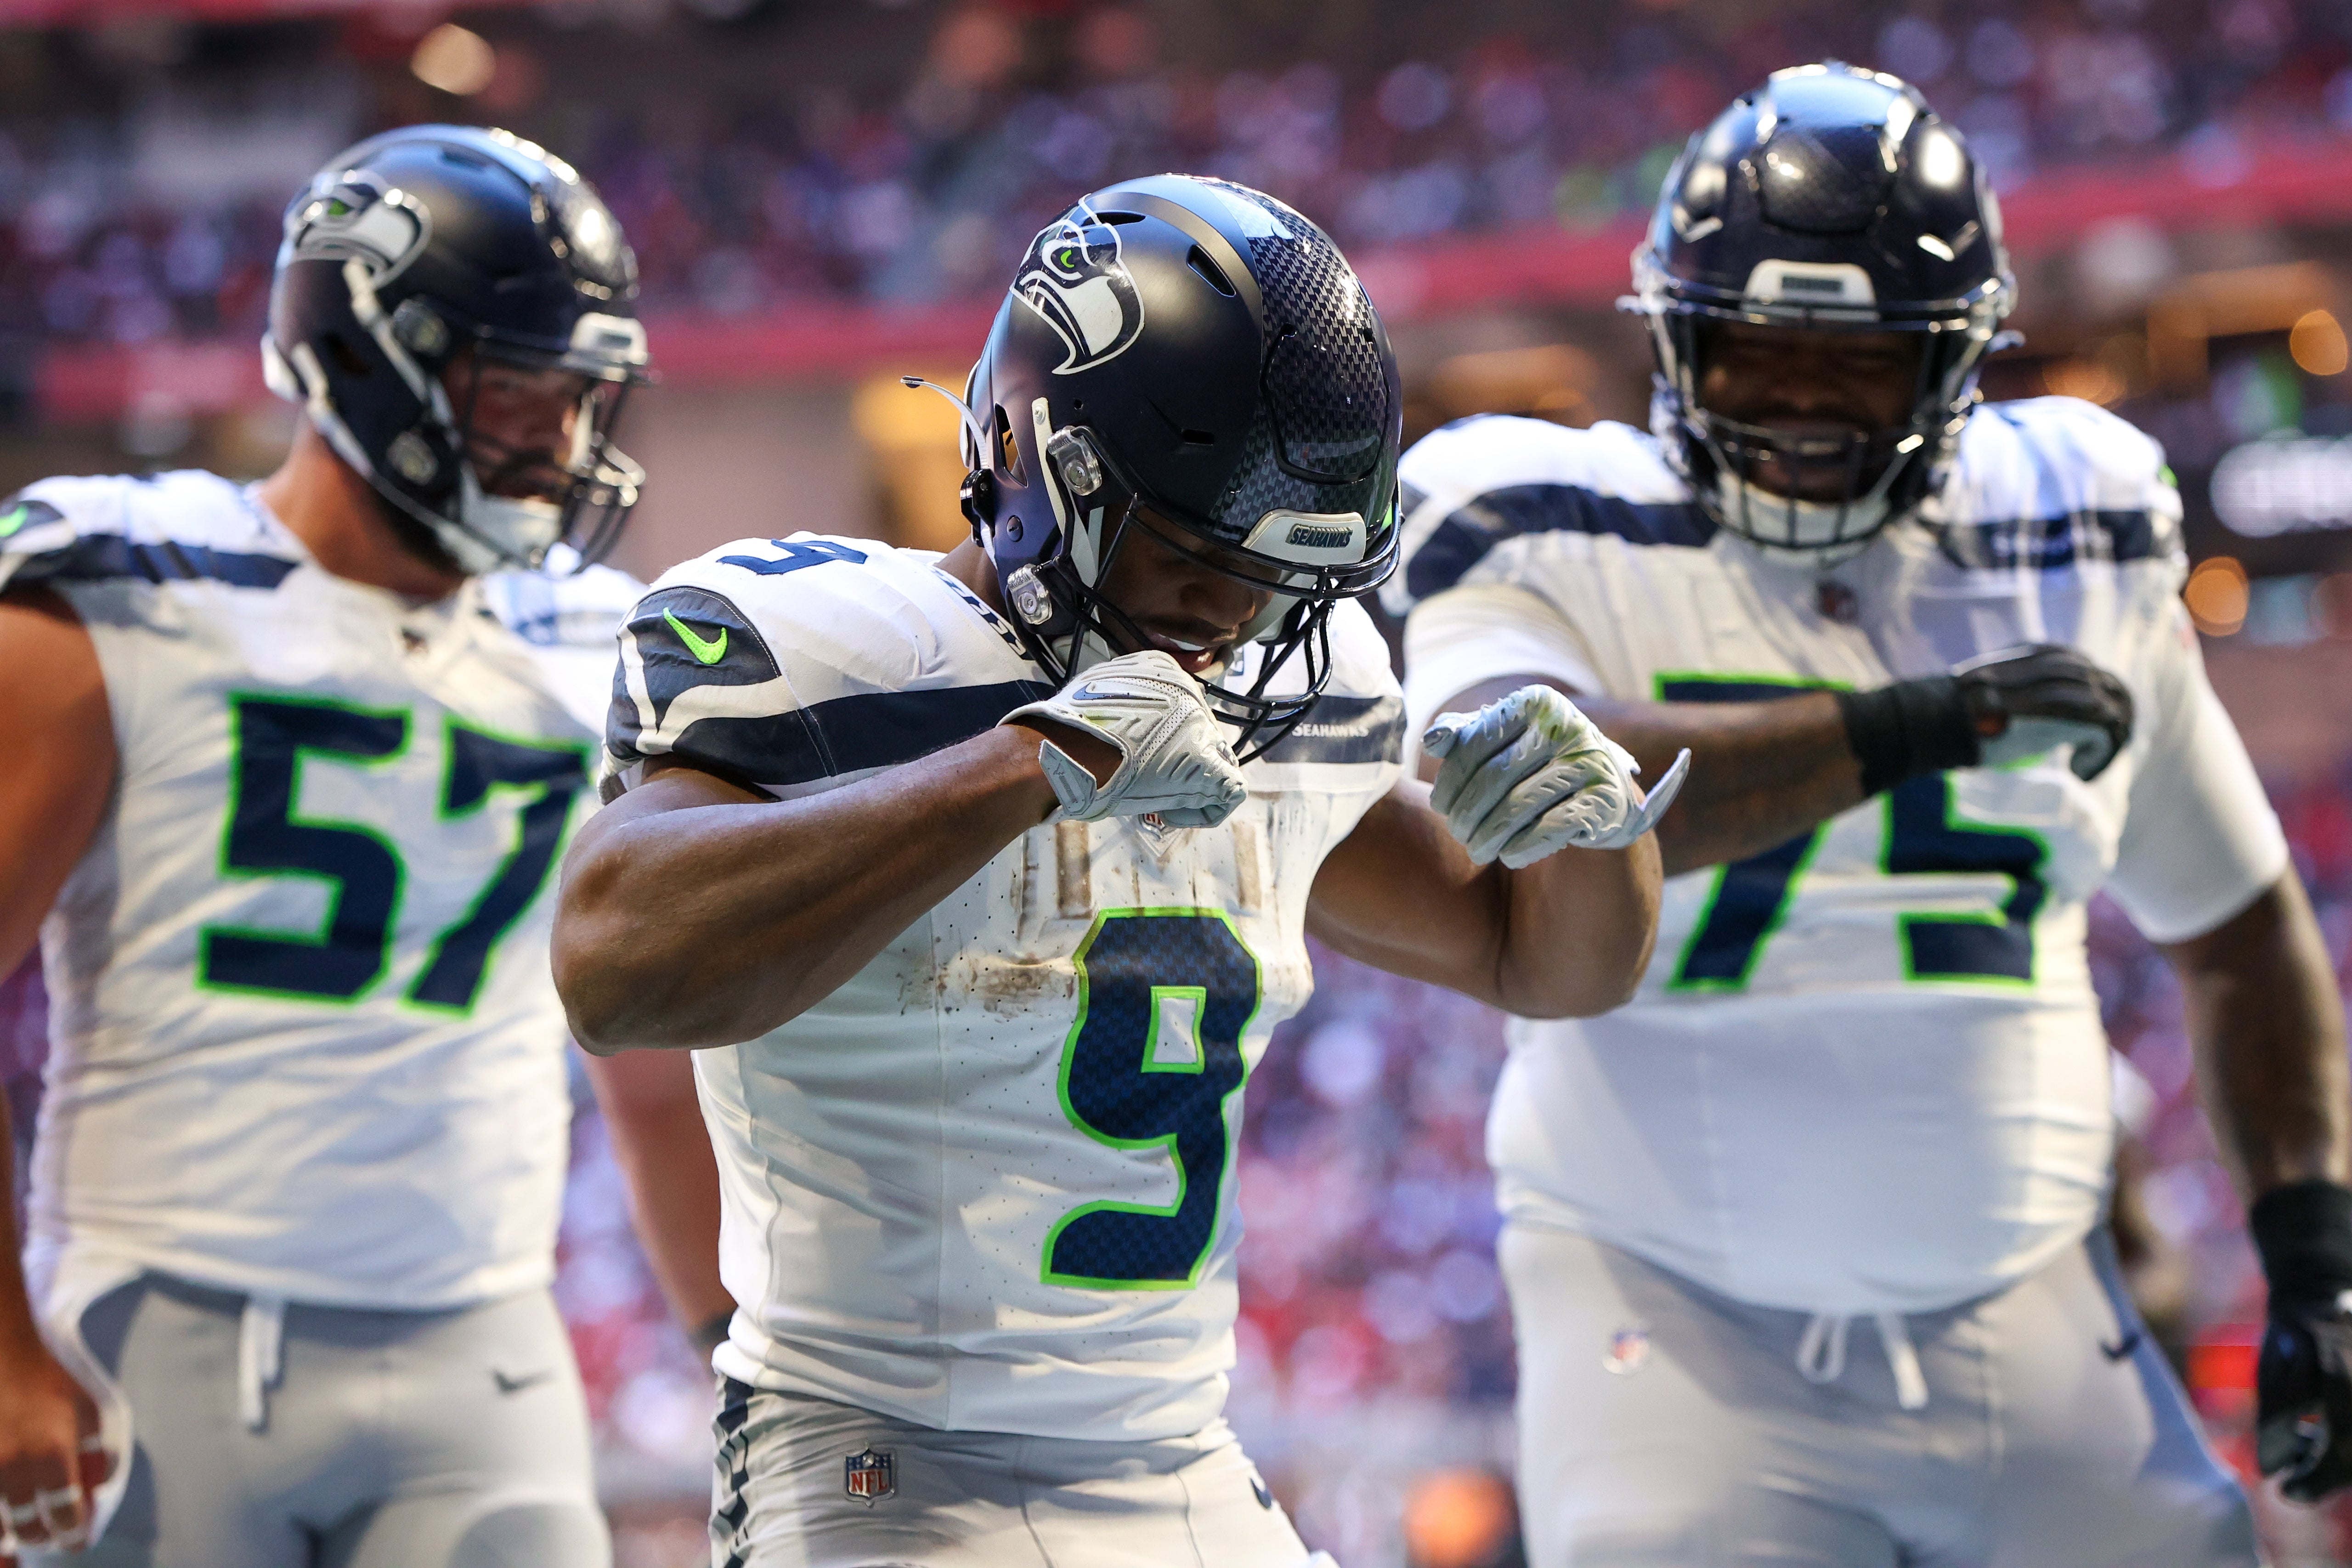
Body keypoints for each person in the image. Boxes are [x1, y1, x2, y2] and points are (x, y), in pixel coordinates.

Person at [552, 174, 1673, 1568]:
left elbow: (1545, 961)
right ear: (1037, 465)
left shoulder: (1286, 697)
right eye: (1199, 559)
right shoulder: (833, 652)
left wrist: (1595, 835)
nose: (1237, 621)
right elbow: (612, 963)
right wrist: (1026, 767)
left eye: (1280, 582)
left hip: (1177, 1448)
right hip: (875, 1457)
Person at [1388, 61, 2347, 1568]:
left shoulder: (2070, 523)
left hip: (2029, 1289)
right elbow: (1528, 785)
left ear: (1956, 364)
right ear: (1676, 341)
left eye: (1857, 361)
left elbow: (2235, 926)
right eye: (1757, 350)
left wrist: (2314, 1256)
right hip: (1666, 1304)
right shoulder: (1538, 518)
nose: (1798, 408)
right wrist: (1929, 721)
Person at [0, 125, 651, 1567]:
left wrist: (728, 1329)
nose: (561, 435)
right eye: (521, 385)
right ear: (371, 355)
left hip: (487, 1342)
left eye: (580, 392)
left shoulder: (599, 637)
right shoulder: (122, 589)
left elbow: (655, 1046)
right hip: (156, 1333)